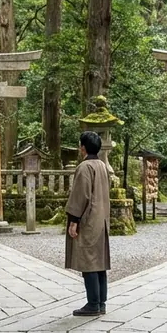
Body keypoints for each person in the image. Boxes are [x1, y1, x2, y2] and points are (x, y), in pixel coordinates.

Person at [65, 131, 111, 317]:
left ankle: (93, 303)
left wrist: (73, 221)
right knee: (99, 261)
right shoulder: (102, 166)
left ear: (82, 147)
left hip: (89, 219)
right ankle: (101, 302)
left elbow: (80, 196)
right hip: (102, 219)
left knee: (89, 261)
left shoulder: (85, 167)